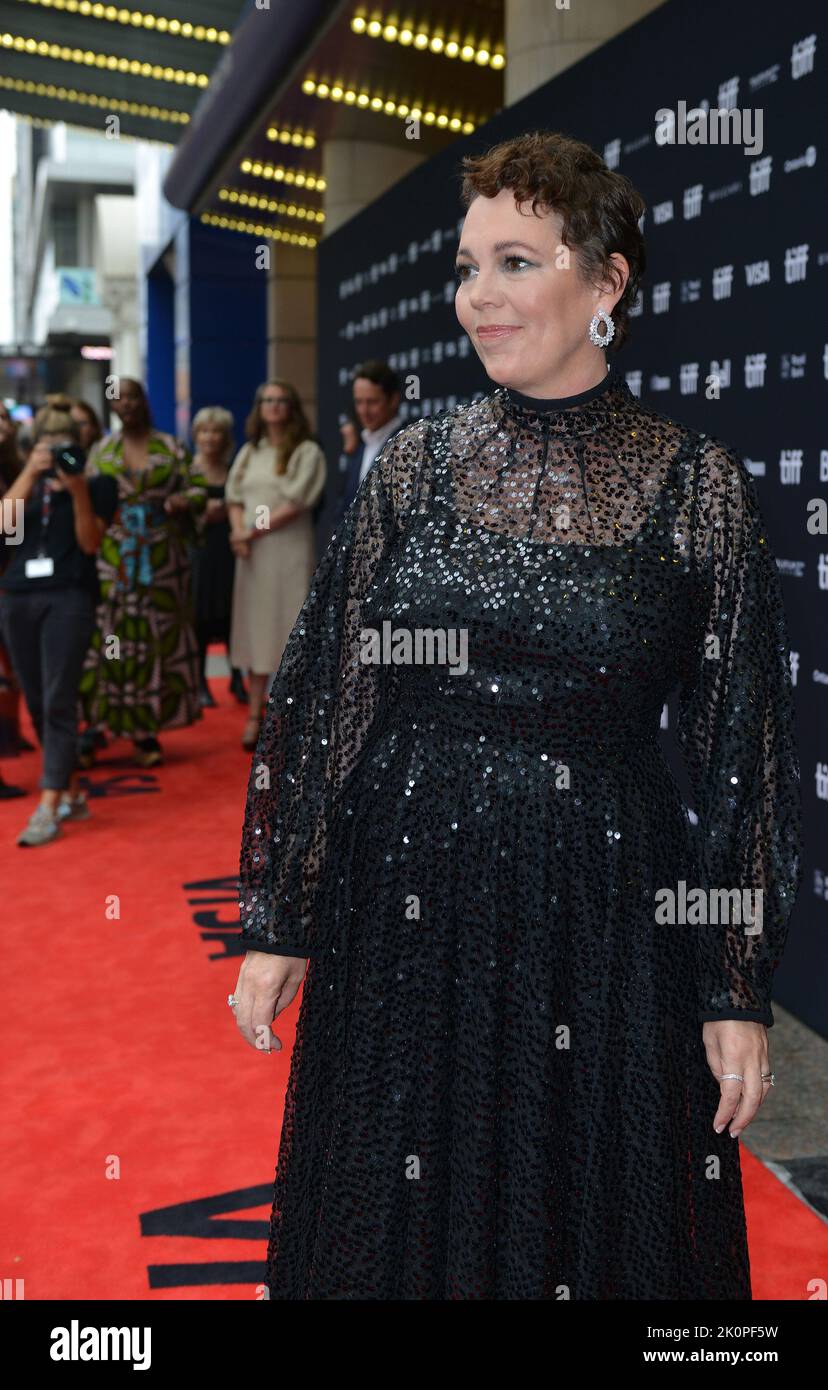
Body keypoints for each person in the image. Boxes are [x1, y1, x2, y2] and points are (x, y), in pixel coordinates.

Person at [229, 130, 803, 1301]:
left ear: (606, 282)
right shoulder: (416, 462)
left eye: (515, 263)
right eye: (467, 265)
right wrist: (282, 911)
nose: (478, 299)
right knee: (395, 1221)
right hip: (405, 907)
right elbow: (335, 689)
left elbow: (739, 746)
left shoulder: (698, 487)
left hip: (600, 917)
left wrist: (736, 986)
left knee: (582, 1219)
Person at [0, 398, 117, 844]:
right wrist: (31, 473)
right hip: (17, 597)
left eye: (66, 447)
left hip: (69, 595)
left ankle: (49, 804)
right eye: (48, 447)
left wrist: (79, 489)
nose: (58, 457)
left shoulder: (100, 485)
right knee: (35, 700)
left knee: (58, 697)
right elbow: (3, 529)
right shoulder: (23, 484)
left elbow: (90, 544)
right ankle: (71, 790)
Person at [78, 377, 206, 768]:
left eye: (131, 396)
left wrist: (183, 501)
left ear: (142, 401)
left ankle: (145, 732)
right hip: (114, 557)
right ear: (111, 406)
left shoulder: (170, 446)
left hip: (162, 560)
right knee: (109, 638)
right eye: (117, 399)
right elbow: (82, 499)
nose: (125, 404)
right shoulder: (101, 450)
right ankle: (98, 725)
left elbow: (201, 488)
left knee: (154, 639)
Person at [225, 380, 326, 751]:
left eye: (281, 401)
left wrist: (251, 531)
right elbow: (233, 495)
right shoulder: (251, 451)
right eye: (267, 400)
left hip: (285, 553)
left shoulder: (306, 451)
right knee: (255, 631)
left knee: (287, 631)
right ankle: (255, 714)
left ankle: (289, 720)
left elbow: (296, 503)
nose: (274, 407)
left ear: (293, 407)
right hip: (252, 557)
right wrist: (238, 531)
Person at [189, 406, 247, 707]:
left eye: (216, 432)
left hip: (228, 549)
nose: (210, 438)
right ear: (196, 435)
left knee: (232, 611)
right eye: (204, 431)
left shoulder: (235, 470)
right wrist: (202, 515)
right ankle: (199, 683)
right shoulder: (187, 470)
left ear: (225, 437)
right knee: (199, 615)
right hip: (198, 551)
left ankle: (237, 677)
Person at [317, 363, 406, 554]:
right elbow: (346, 503)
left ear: (393, 400)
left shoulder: (410, 441)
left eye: (372, 402)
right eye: (358, 402)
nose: (364, 411)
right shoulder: (359, 444)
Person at [0, 403, 27, 797]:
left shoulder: (12, 466)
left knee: (12, 669)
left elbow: (16, 532)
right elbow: (8, 522)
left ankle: (10, 735)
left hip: (11, 580)